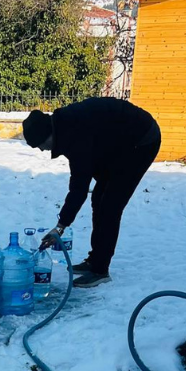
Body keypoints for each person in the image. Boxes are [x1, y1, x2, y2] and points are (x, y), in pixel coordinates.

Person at [23, 97, 161, 289]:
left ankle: (100, 270)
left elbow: (79, 188)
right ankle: (95, 259)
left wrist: (61, 226)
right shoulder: (66, 129)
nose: (41, 149)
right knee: (99, 198)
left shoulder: (75, 136)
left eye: (40, 144)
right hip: (117, 144)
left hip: (141, 141)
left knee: (110, 205)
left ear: (49, 135)